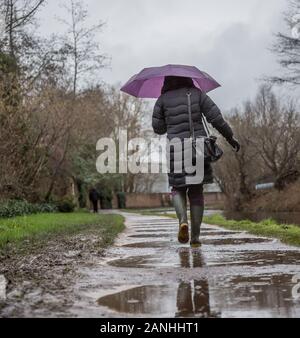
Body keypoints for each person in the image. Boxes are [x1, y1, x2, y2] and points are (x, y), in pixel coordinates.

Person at [152, 76, 240, 248]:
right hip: (198, 148)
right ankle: (196, 238)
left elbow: (158, 129)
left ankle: (182, 221)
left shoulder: (162, 100)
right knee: (196, 192)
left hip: (175, 149)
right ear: (188, 78)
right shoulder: (197, 94)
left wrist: (169, 120)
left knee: (177, 188)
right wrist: (230, 137)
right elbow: (216, 118)